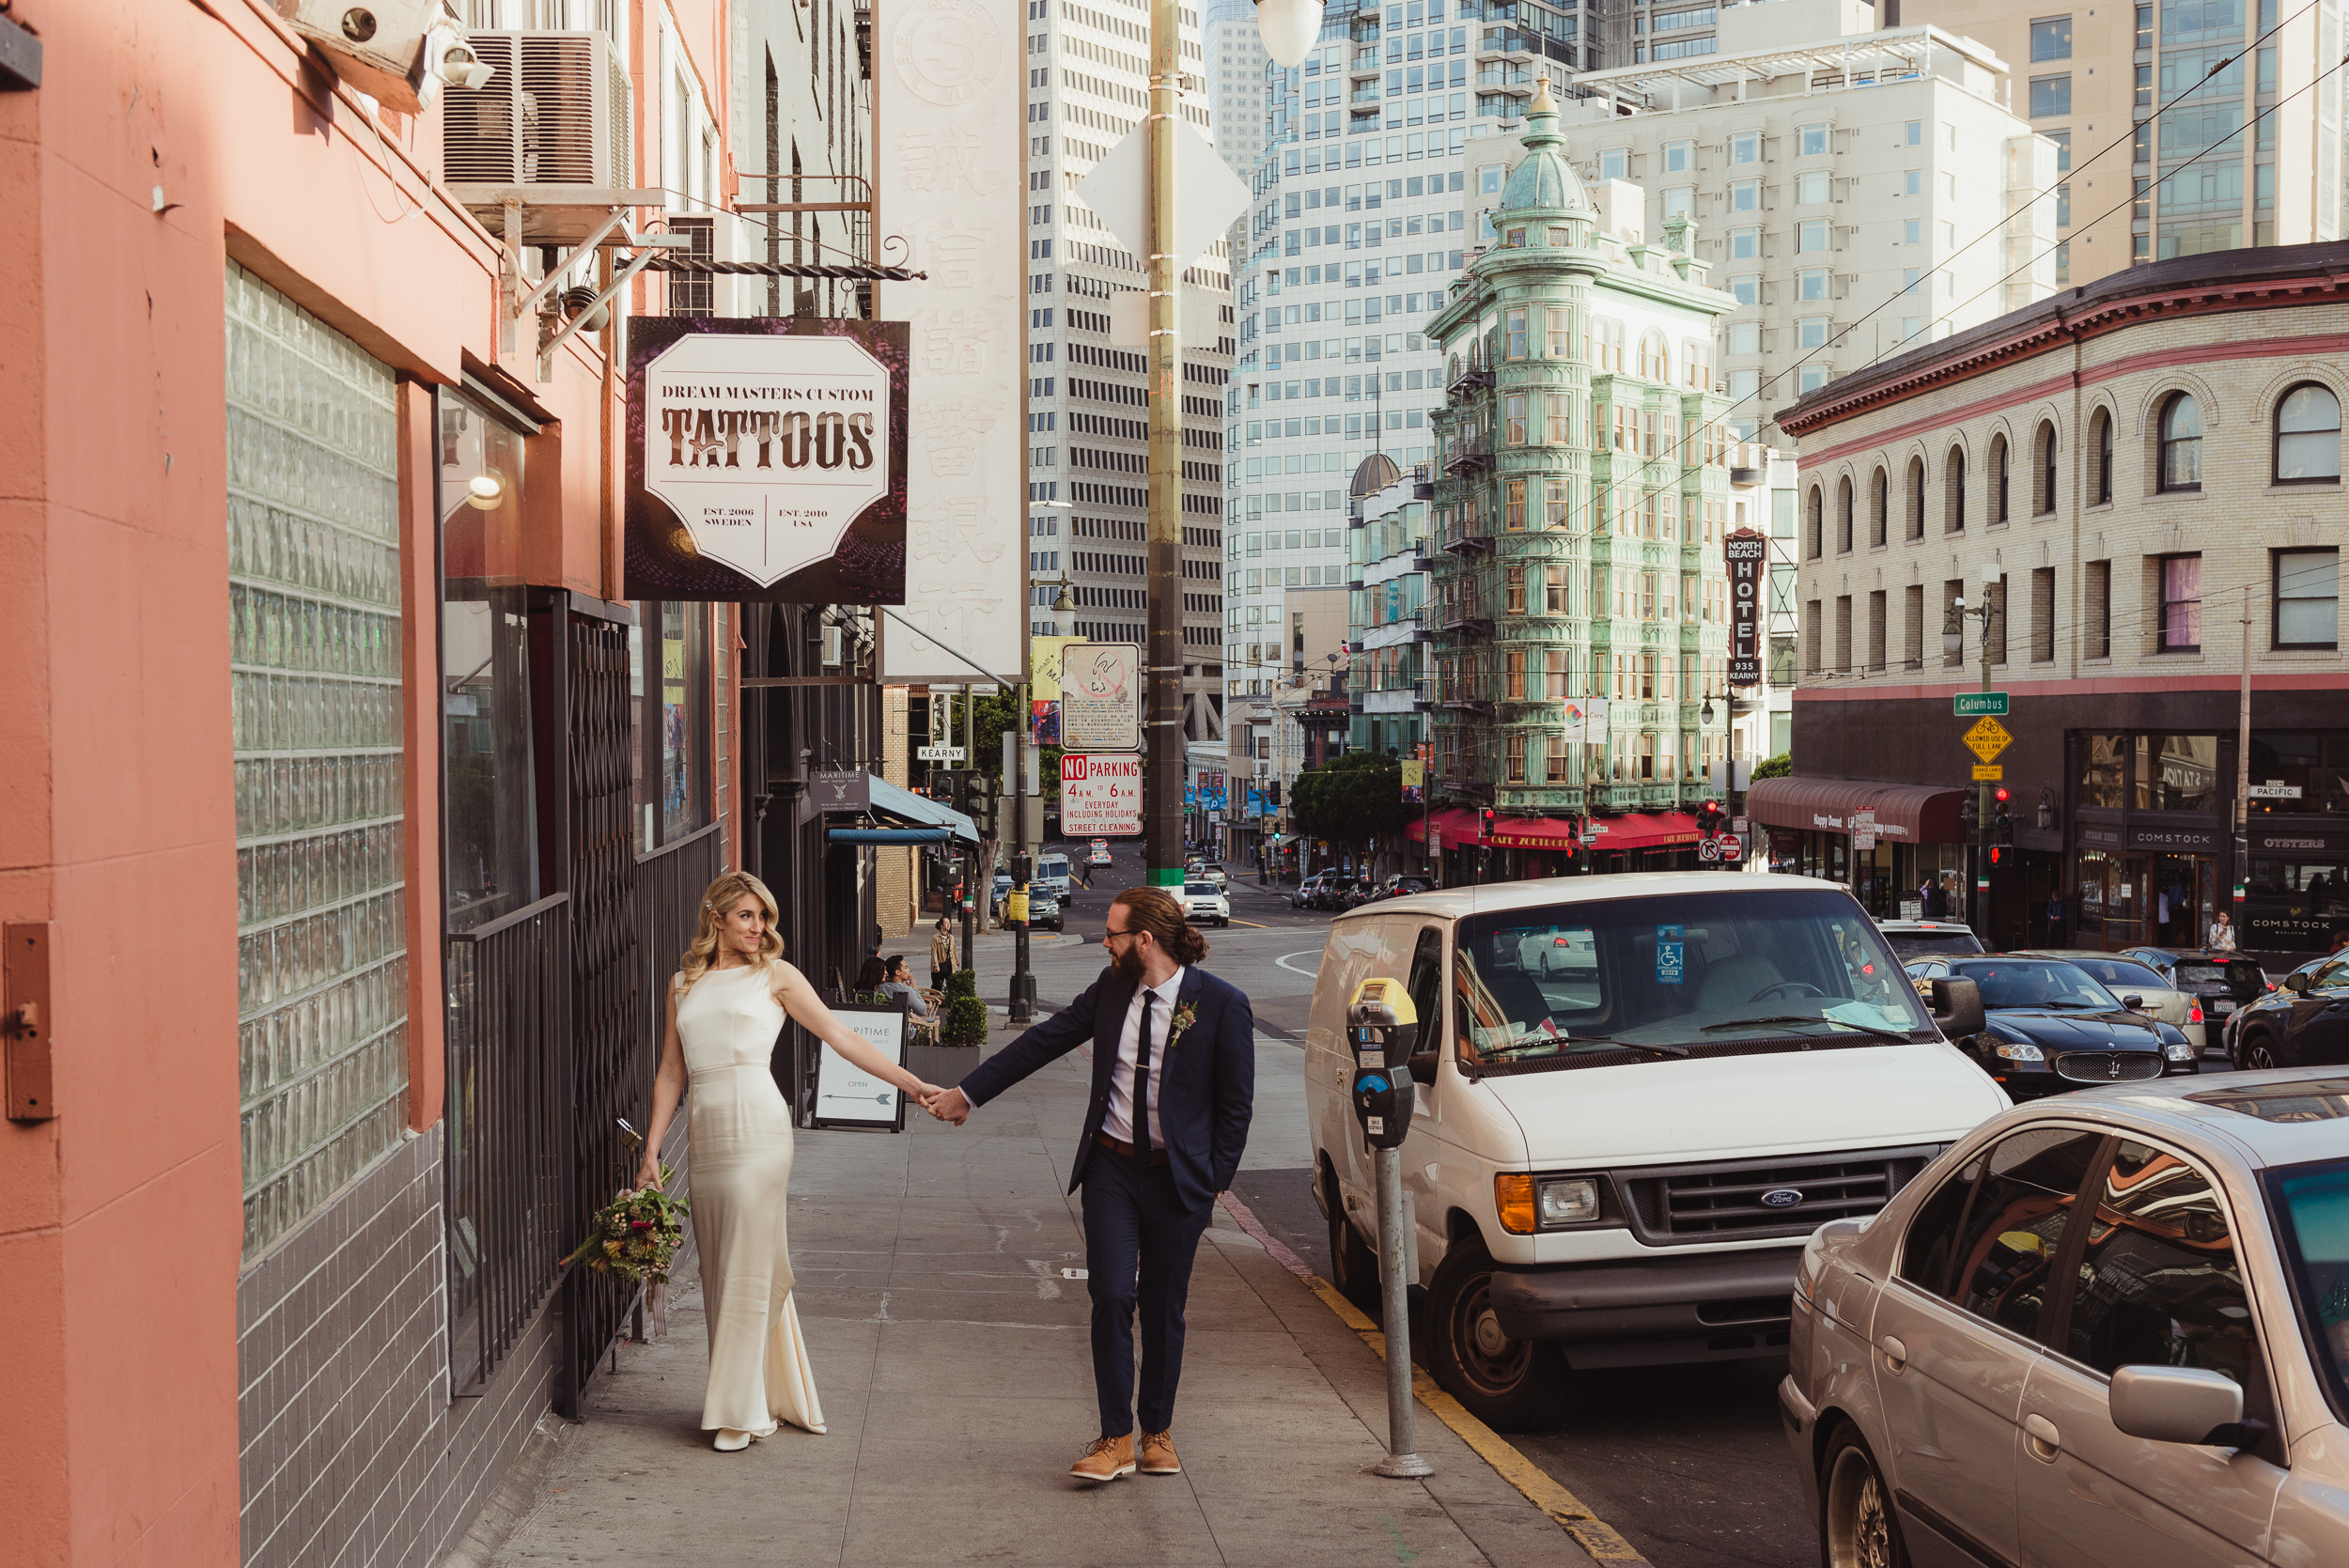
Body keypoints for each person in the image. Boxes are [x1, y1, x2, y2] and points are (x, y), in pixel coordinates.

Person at [925, 887, 1254, 1483]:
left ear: (1145, 941)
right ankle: (1115, 1437)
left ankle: (1157, 1430)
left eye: (1113, 934)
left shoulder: (1223, 1006)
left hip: (1178, 1182)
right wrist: (967, 1093)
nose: (1105, 942)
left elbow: (1235, 1109)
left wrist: (1211, 1186)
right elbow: (1041, 1043)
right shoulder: (1110, 991)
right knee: (1109, 1294)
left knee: (1162, 1309)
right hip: (1112, 1169)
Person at [633, 873, 943, 1452]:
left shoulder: (776, 976)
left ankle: (737, 1410)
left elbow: (840, 1036)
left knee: (747, 1261)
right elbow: (671, 1072)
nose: (759, 928)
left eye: (764, 918)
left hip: (759, 1130)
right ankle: (777, 1390)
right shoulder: (682, 984)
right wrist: (651, 1150)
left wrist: (910, 1083)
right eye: (748, 916)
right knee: (724, 1267)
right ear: (716, 917)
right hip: (708, 1136)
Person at [881, 955, 932, 1020]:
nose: (908, 970)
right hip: (905, 1027)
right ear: (897, 972)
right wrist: (914, 989)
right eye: (905, 968)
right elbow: (923, 1010)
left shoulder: (881, 988)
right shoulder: (907, 990)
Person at [929, 916, 956, 992]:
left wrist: (957, 962)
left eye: (949, 923)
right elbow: (934, 953)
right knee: (937, 987)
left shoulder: (951, 937)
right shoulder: (935, 938)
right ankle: (935, 1002)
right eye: (946, 923)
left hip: (949, 965)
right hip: (940, 965)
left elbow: (954, 950)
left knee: (951, 986)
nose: (948, 925)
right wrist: (936, 965)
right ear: (941, 925)